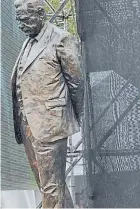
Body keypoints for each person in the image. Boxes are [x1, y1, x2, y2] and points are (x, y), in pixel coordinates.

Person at [11, 0, 83, 207]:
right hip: (29, 125)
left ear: (41, 14)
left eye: (25, 19)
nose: (21, 25)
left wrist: (68, 117)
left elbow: (76, 84)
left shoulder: (61, 39)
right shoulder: (28, 42)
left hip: (51, 124)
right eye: (18, 20)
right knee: (48, 184)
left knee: (51, 185)